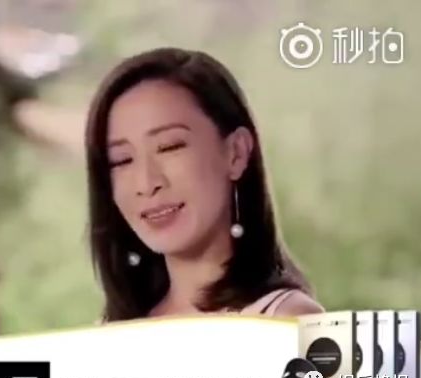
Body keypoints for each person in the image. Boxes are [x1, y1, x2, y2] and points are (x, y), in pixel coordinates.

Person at [84, 48, 324, 322]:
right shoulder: (113, 332)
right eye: (121, 160)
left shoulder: (291, 320)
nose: (146, 183)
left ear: (236, 153)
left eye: (170, 146)